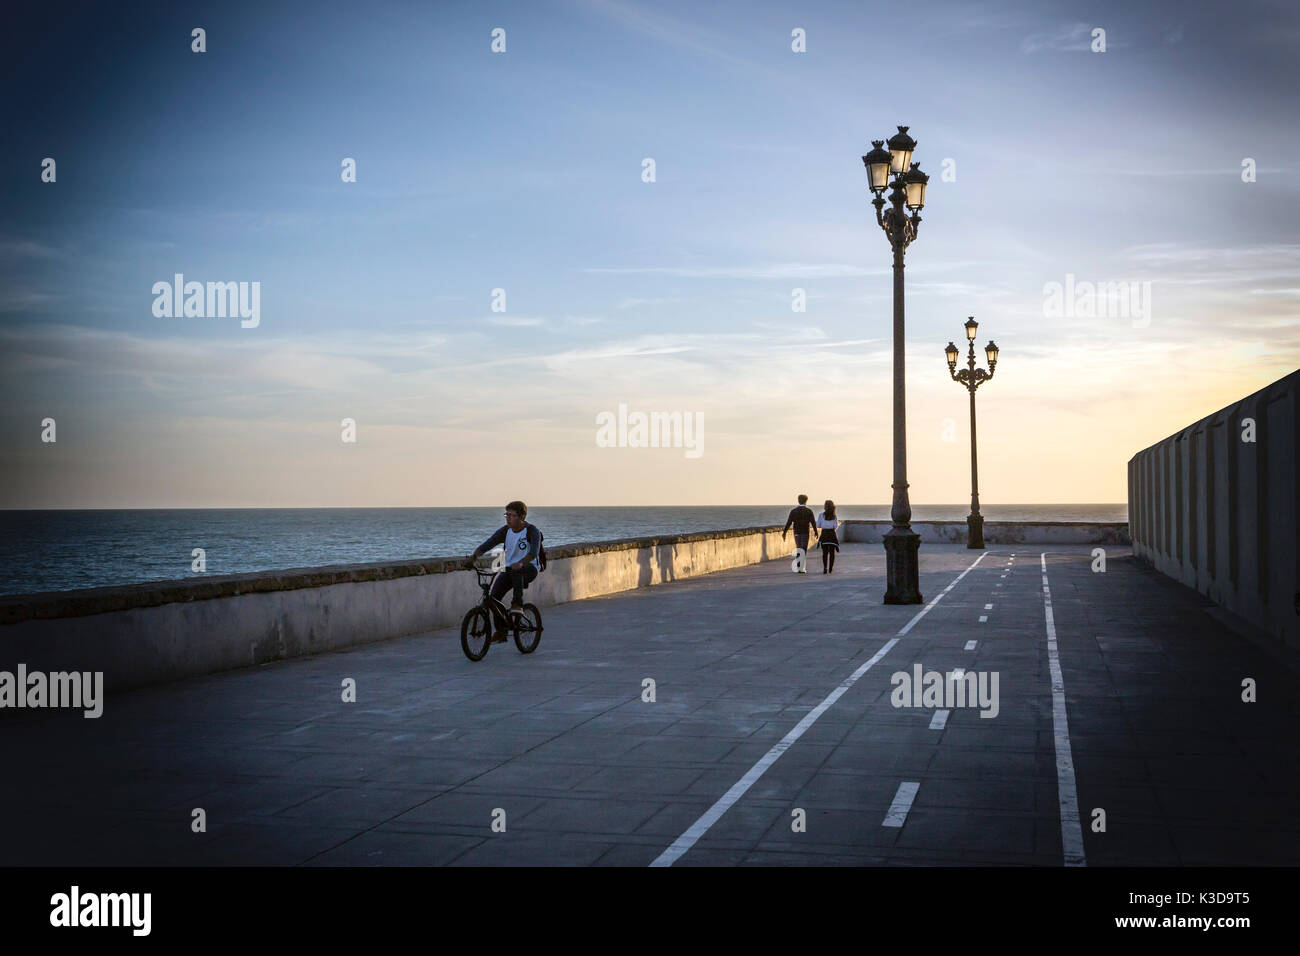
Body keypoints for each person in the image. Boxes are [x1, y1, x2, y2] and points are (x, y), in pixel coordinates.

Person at [468, 500, 542, 640]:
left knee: (517, 570)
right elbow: (488, 544)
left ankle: (517, 604)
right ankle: (501, 631)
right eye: (506, 515)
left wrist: (521, 563)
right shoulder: (505, 531)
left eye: (512, 515)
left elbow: (533, 552)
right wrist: (473, 558)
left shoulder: (532, 531)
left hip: (529, 568)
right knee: (494, 598)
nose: (508, 518)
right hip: (509, 569)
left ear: (522, 517)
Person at [781, 494, 818, 573]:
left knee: (799, 548)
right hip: (805, 532)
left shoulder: (793, 511)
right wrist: (816, 532)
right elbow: (813, 523)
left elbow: (789, 522)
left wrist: (784, 532)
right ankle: (801, 568)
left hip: (797, 533)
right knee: (803, 549)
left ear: (798, 500)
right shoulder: (809, 511)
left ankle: (799, 566)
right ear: (806, 501)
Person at [817, 499, 841, 574]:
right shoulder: (834, 516)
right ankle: (830, 568)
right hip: (832, 534)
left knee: (824, 553)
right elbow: (835, 526)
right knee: (832, 553)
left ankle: (825, 568)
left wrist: (824, 525)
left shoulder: (821, 515)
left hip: (824, 534)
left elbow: (818, 525)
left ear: (825, 507)